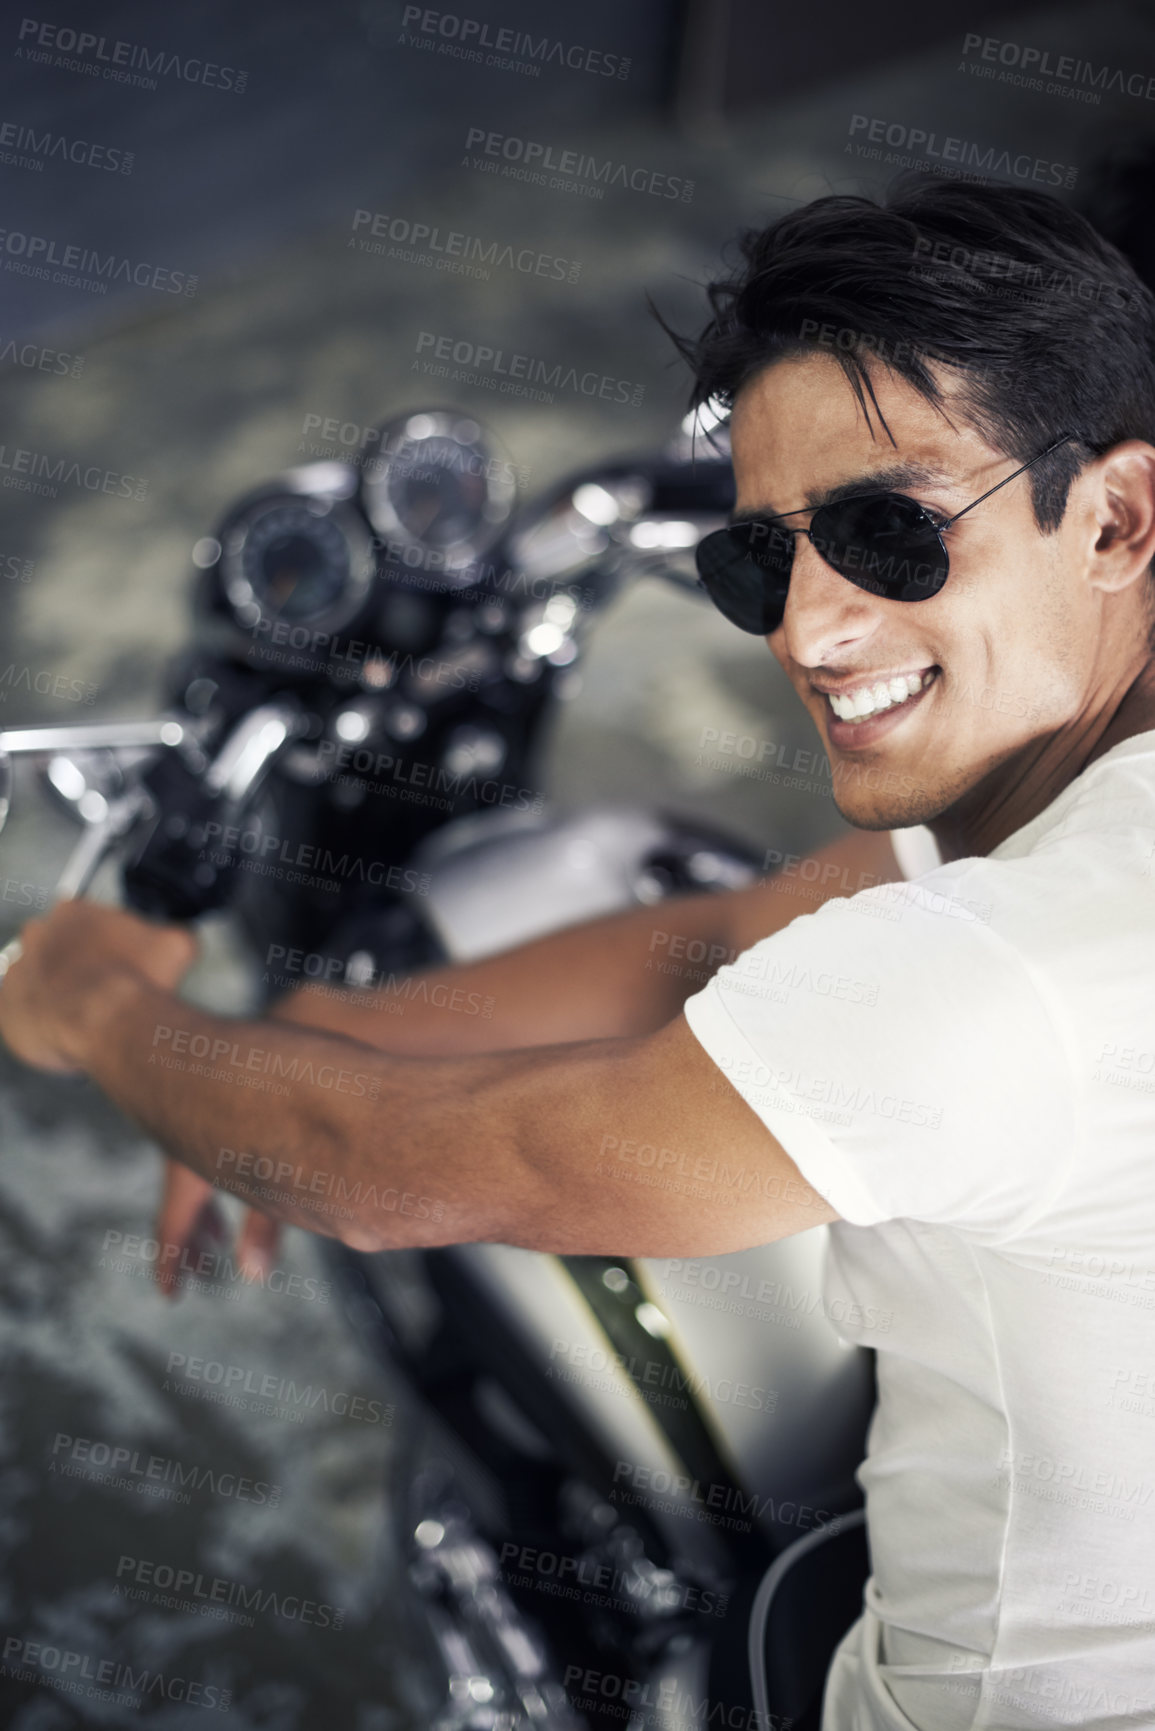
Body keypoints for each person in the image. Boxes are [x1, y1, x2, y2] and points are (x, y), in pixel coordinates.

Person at [5, 176, 1155, 1729]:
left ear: (1114, 516)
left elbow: (377, 1167)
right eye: (761, 562)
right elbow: (727, 927)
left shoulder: (995, 988)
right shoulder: (1073, 815)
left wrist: (102, 1016)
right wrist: (327, 1028)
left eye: (889, 532)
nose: (808, 635)